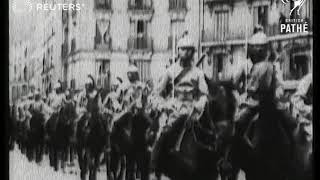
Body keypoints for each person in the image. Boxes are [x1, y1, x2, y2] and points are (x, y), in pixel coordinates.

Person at [151, 34, 209, 152]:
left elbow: (204, 94)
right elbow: (157, 94)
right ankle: (154, 167)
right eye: (183, 49)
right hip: (174, 110)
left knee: (209, 136)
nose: (187, 52)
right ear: (178, 51)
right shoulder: (170, 72)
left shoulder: (198, 73)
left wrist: (198, 106)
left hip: (193, 110)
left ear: (193, 52)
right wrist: (165, 105)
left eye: (190, 49)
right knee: (162, 135)